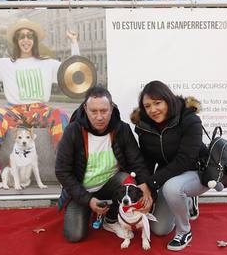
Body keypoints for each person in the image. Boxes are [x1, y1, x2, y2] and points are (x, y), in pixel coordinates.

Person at [0, 18, 79, 188]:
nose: (25, 40)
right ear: (16, 40)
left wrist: (74, 42)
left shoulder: (47, 63)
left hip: (39, 110)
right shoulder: (5, 63)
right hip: (15, 111)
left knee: (61, 115)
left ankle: (64, 169)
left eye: (29, 36)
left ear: (34, 40)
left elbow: (73, 69)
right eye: (21, 36)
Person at [55, 85, 153, 242]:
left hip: (110, 185)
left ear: (112, 108)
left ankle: (111, 219)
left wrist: (145, 187)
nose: (99, 117)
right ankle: (91, 211)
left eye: (104, 111)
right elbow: (62, 171)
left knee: (125, 179)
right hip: (82, 191)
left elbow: (137, 162)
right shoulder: (73, 131)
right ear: (85, 108)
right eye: (94, 111)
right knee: (74, 235)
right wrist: (88, 200)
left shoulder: (122, 129)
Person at [131, 79, 208, 251]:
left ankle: (184, 231)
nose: (153, 110)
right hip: (169, 176)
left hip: (196, 172)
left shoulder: (190, 119)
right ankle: (187, 201)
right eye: (148, 106)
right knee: (159, 229)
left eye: (158, 103)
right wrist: (145, 189)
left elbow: (185, 159)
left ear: (168, 100)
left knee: (172, 188)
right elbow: (147, 160)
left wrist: (152, 184)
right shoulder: (144, 126)